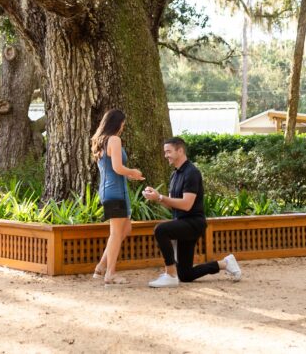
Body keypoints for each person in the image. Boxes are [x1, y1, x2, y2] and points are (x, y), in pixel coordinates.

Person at [142, 137, 241, 287]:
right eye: (165, 152)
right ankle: (225, 263)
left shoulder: (192, 173)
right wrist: (157, 197)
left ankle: (170, 274)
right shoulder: (174, 175)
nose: (165, 155)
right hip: (182, 223)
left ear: (180, 151)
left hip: (194, 224)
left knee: (161, 230)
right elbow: (174, 205)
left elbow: (187, 205)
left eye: (168, 151)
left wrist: (161, 197)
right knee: (186, 275)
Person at [91, 109, 144, 285]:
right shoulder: (114, 139)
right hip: (115, 192)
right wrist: (133, 172)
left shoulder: (100, 141)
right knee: (116, 233)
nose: (123, 126)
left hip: (111, 190)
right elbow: (117, 168)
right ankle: (110, 274)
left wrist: (127, 174)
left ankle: (101, 266)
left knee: (125, 230)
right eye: (122, 123)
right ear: (117, 123)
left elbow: (113, 169)